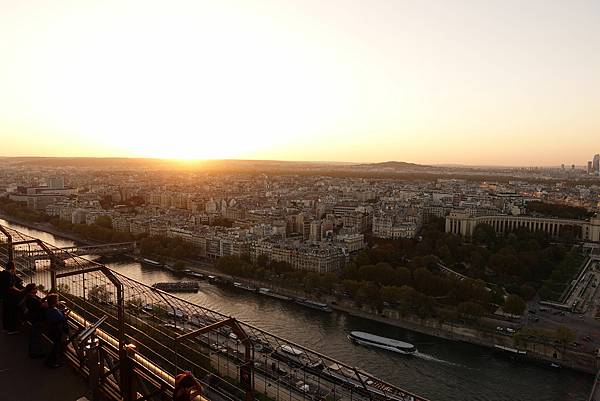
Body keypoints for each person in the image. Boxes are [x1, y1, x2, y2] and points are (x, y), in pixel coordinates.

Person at [22, 283, 46, 358]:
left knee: (34, 336)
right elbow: (41, 305)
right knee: (36, 337)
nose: (37, 289)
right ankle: (36, 353)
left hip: (33, 319)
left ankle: (33, 352)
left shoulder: (29, 297)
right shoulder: (32, 299)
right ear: (31, 290)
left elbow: (39, 303)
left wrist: (45, 298)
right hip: (36, 319)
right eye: (35, 288)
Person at [45, 293, 68, 368]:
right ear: (55, 302)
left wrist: (61, 312)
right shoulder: (53, 310)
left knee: (56, 346)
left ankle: (53, 361)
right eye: (57, 300)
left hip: (53, 330)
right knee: (56, 346)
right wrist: (64, 315)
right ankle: (51, 362)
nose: (58, 302)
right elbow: (61, 319)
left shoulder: (50, 309)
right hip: (56, 330)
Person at [0, 261, 24, 334]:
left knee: (6, 312)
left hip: (3, 296)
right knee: (12, 312)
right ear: (13, 268)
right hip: (9, 296)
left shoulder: (2, 273)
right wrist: (20, 291)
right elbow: (11, 286)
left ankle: (5, 328)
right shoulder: (8, 275)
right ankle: (12, 329)